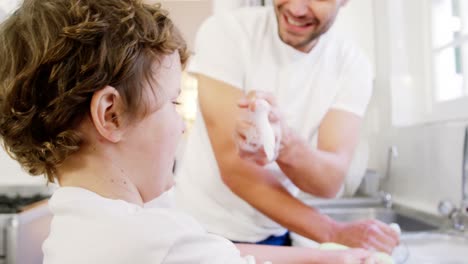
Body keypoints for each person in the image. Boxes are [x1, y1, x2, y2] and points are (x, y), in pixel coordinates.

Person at [0, 0, 385, 263]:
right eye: (174, 103)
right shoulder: (160, 241)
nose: (184, 130)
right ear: (111, 114)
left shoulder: (83, 220)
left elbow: (222, 251)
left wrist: (324, 255)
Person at [175, 0, 399, 253]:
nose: (296, 9)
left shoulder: (352, 66)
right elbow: (235, 170)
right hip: (199, 230)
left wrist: (285, 144)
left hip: (276, 233)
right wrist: (333, 232)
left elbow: (329, 182)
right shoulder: (226, 31)